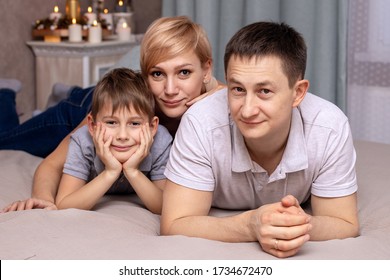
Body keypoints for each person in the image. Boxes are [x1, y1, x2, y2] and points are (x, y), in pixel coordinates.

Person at [160, 21, 359, 258]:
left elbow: (344, 222)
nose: (247, 110)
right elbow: (175, 223)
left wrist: (294, 225)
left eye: (264, 91)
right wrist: (251, 224)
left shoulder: (330, 127)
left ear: (298, 93)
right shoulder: (200, 122)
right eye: (238, 90)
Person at [2, 15, 222, 212]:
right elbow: (51, 164)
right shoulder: (124, 113)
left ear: (206, 71)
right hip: (87, 105)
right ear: (146, 76)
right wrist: (44, 200)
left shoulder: (220, 101)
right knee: (7, 139)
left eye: (184, 72)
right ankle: (7, 94)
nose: (171, 90)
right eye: (157, 74)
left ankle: (63, 90)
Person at [55, 68, 171, 214]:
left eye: (134, 123)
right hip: (69, 113)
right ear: (92, 125)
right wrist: (110, 173)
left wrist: (133, 171)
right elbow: (64, 204)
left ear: (153, 127)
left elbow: (166, 207)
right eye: (111, 122)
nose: (122, 136)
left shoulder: (160, 142)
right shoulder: (83, 141)